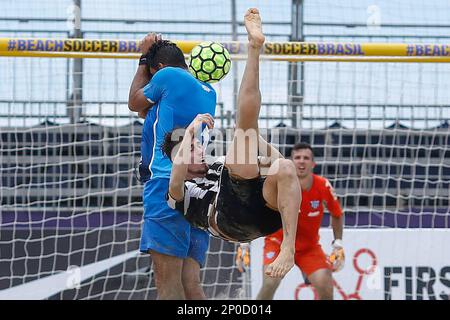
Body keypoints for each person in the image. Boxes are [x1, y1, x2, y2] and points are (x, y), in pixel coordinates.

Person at [161, 8, 301, 278]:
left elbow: (281, 166)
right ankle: (253, 49)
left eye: (197, 144)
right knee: (244, 131)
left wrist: (254, 137)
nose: (199, 148)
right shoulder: (179, 191)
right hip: (229, 219)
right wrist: (190, 130)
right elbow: (176, 176)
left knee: (284, 166)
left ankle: (289, 248)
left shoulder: (219, 164)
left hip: (265, 218)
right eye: (191, 147)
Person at [128, 33, 217, 299]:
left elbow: (134, 102)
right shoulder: (208, 91)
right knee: (191, 283)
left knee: (167, 283)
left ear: (159, 70)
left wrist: (143, 59)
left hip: (167, 184)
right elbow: (147, 111)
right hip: (198, 189)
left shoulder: (167, 77)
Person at [251, 142, 345, 300]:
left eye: (306, 158)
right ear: (291, 162)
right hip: (278, 241)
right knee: (269, 283)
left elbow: (337, 213)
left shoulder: (323, 185)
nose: (302, 161)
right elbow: (255, 212)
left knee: (325, 283)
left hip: (309, 247)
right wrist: (244, 244)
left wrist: (338, 244)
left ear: (313, 163)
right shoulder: (278, 184)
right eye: (297, 157)